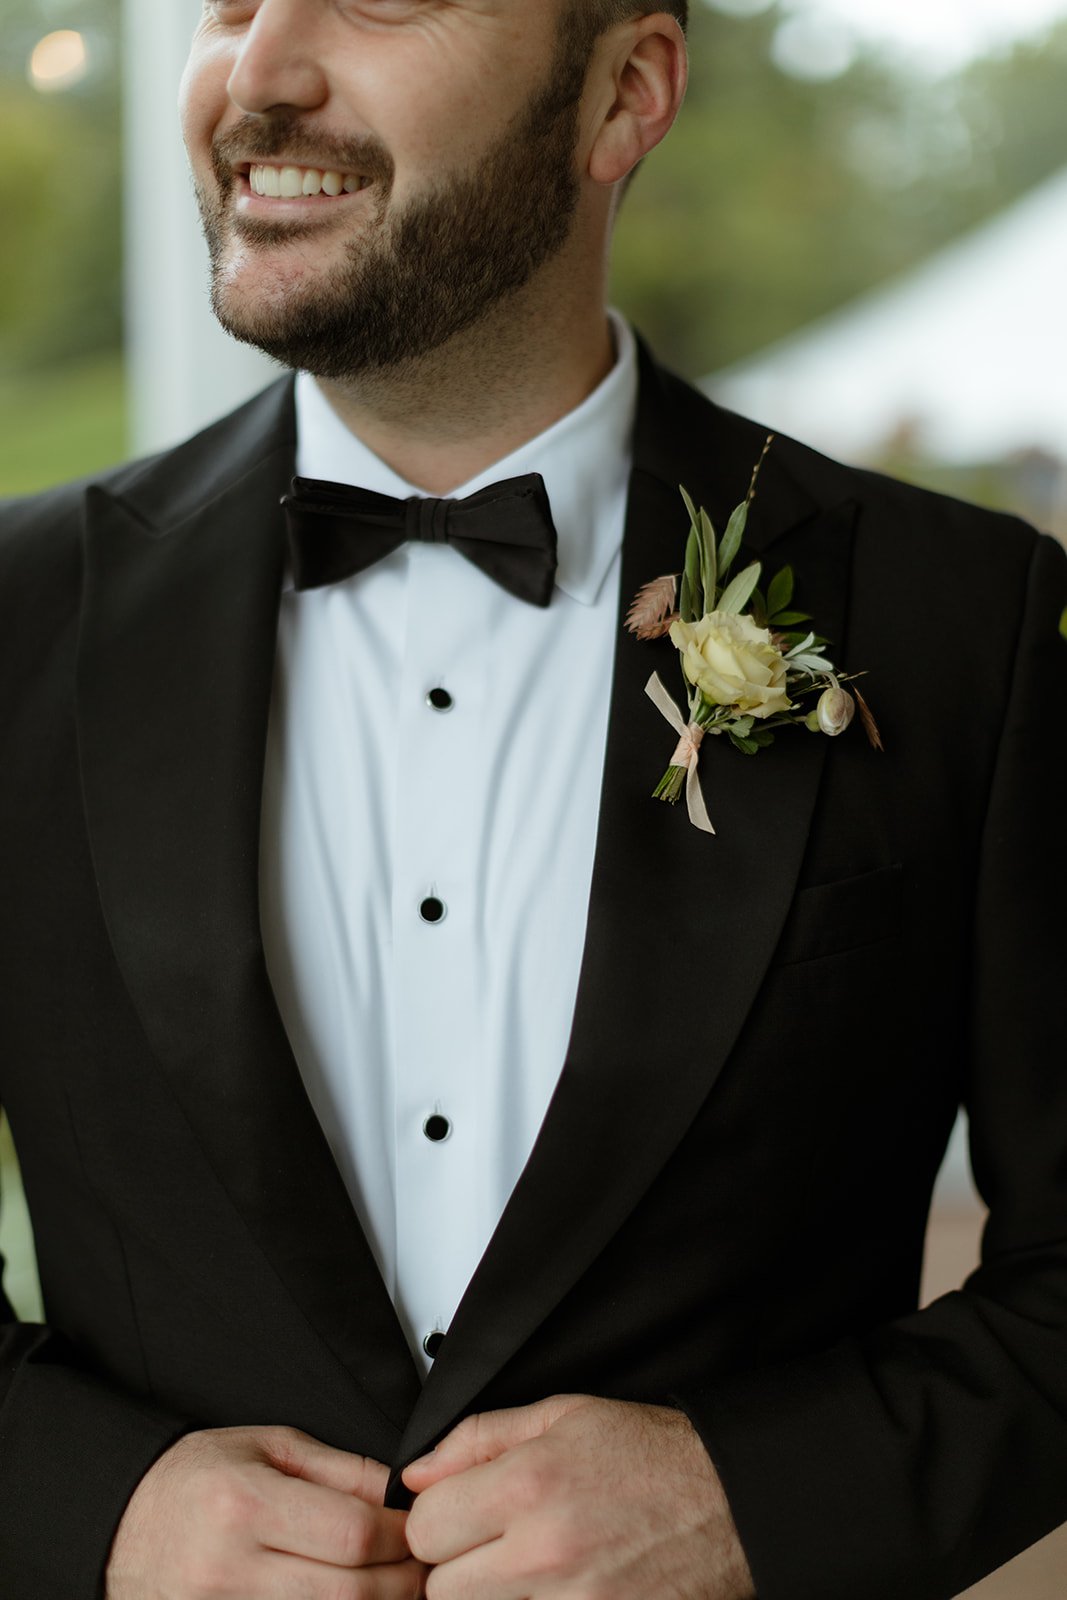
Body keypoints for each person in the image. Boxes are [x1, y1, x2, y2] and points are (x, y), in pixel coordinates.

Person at [1, 2, 1065, 1597]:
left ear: (623, 95)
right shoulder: (12, 625)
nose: (259, 72)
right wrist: (95, 1509)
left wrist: (764, 1505)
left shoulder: (962, 625)